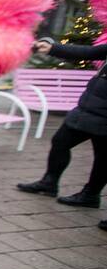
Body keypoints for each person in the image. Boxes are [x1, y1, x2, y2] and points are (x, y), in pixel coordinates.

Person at [17, 37, 107, 232]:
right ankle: (49, 183)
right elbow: (87, 52)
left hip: (103, 116)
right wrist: (53, 48)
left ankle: (90, 195)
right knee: (60, 142)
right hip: (87, 109)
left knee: (103, 159)